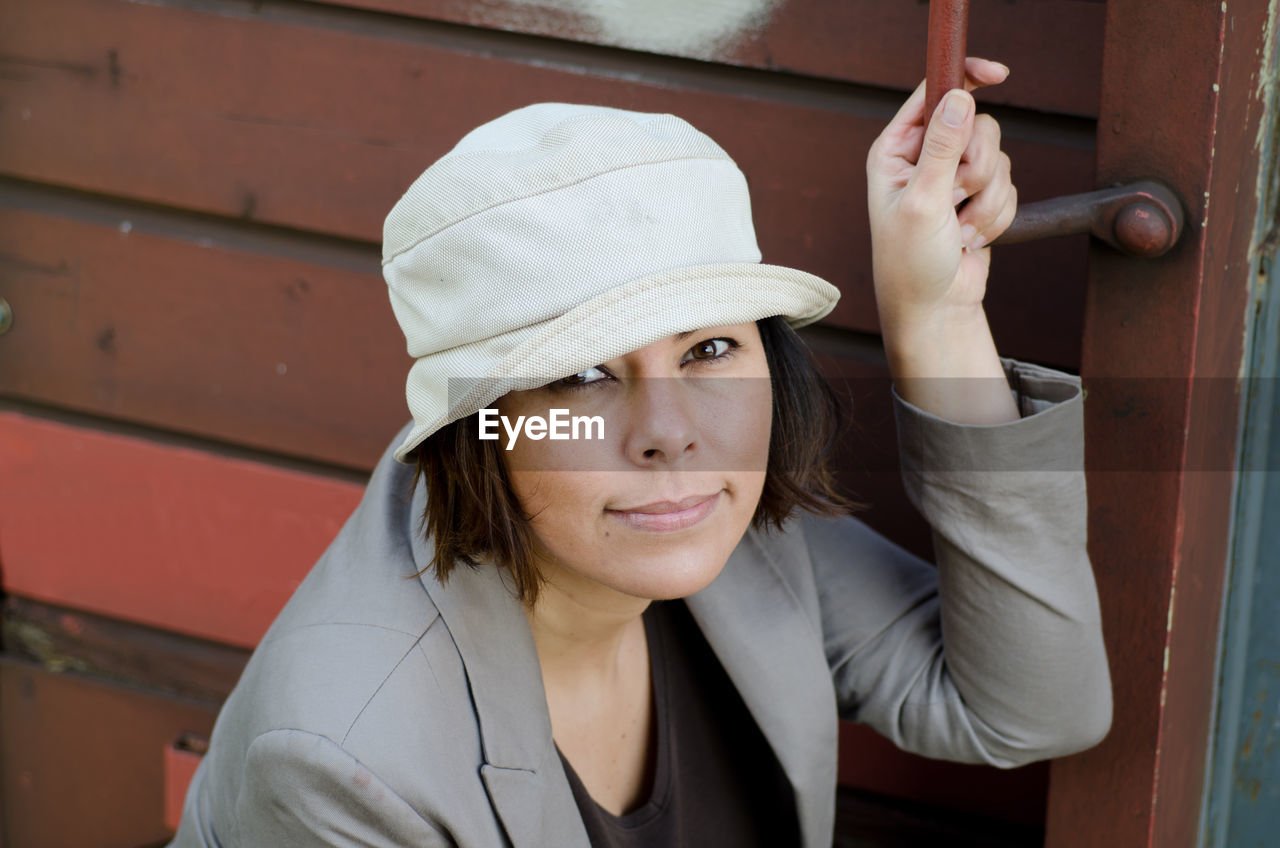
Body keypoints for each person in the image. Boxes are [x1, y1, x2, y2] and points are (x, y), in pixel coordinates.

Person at [170, 58, 1112, 847]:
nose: (671, 431)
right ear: (484, 427)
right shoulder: (346, 760)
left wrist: (936, 316)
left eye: (709, 349)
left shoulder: (717, 514)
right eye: (580, 376)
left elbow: (1032, 709)